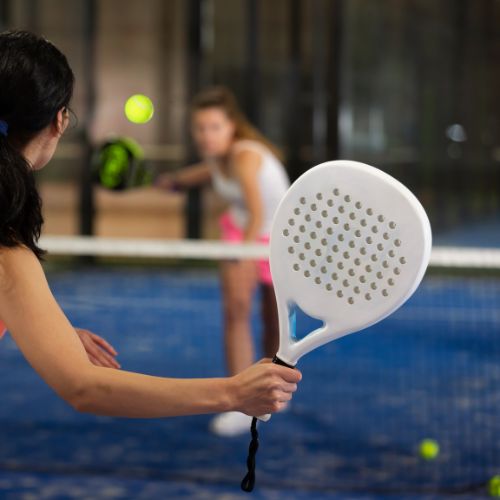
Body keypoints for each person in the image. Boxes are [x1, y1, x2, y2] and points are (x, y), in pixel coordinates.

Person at [0, 30, 300, 421]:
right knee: (240, 316)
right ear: (59, 121)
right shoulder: (10, 256)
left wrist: (46, 329)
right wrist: (233, 392)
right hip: (249, 241)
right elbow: (85, 387)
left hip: (268, 242)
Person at [156, 87, 291, 436]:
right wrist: (169, 182)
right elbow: (195, 176)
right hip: (240, 230)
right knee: (235, 312)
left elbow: (259, 210)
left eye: (214, 127)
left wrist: (245, 255)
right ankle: (241, 402)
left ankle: (272, 391)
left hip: (277, 239)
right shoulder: (217, 158)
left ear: (232, 127)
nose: (206, 135)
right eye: (200, 128)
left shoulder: (245, 156)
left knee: (273, 322)